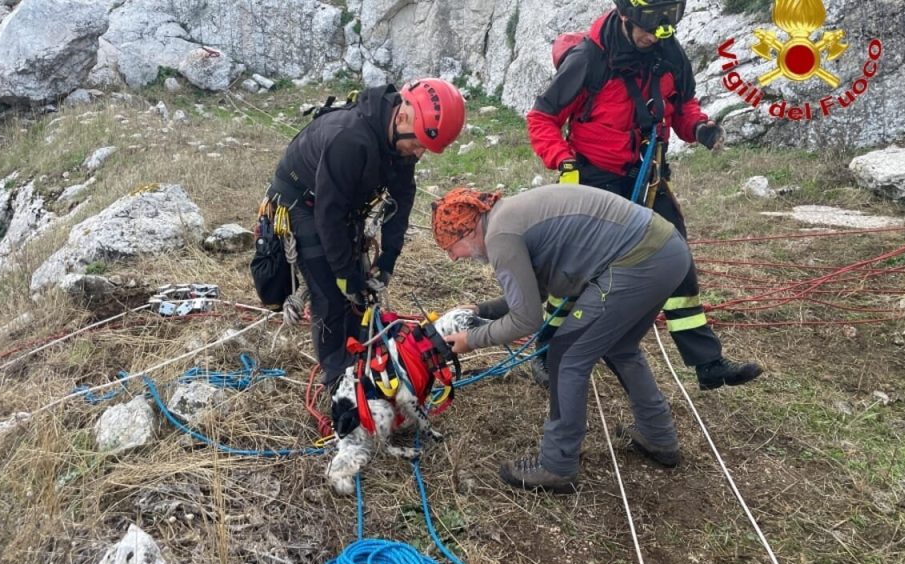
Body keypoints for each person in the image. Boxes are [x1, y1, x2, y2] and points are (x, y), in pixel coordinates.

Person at [525, 0, 762, 391]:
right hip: (593, 178)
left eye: (662, 31)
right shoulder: (589, 59)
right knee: (577, 271)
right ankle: (547, 353)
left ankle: (708, 363)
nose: (653, 38)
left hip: (647, 177)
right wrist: (564, 163)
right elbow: (542, 118)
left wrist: (699, 128)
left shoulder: (668, 52)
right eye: (647, 31)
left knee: (676, 259)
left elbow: (681, 106)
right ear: (624, 18)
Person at [433, 184, 690, 492]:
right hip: (666, 249)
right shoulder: (506, 219)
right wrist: (480, 309)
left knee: (566, 356)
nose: (452, 257)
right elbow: (534, 295)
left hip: (639, 260)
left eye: (450, 247)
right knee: (621, 347)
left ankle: (557, 465)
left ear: (468, 230)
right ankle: (658, 436)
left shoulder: (500, 236)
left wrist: (470, 340)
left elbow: (526, 319)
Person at [262, 79, 465, 390]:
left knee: (361, 294)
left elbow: (402, 201)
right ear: (401, 117)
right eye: (419, 144)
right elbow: (329, 216)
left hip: (340, 202)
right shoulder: (350, 139)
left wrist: (387, 261)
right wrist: (343, 275)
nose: (420, 154)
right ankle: (339, 387)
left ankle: (360, 361)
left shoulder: (401, 143)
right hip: (304, 203)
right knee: (330, 295)